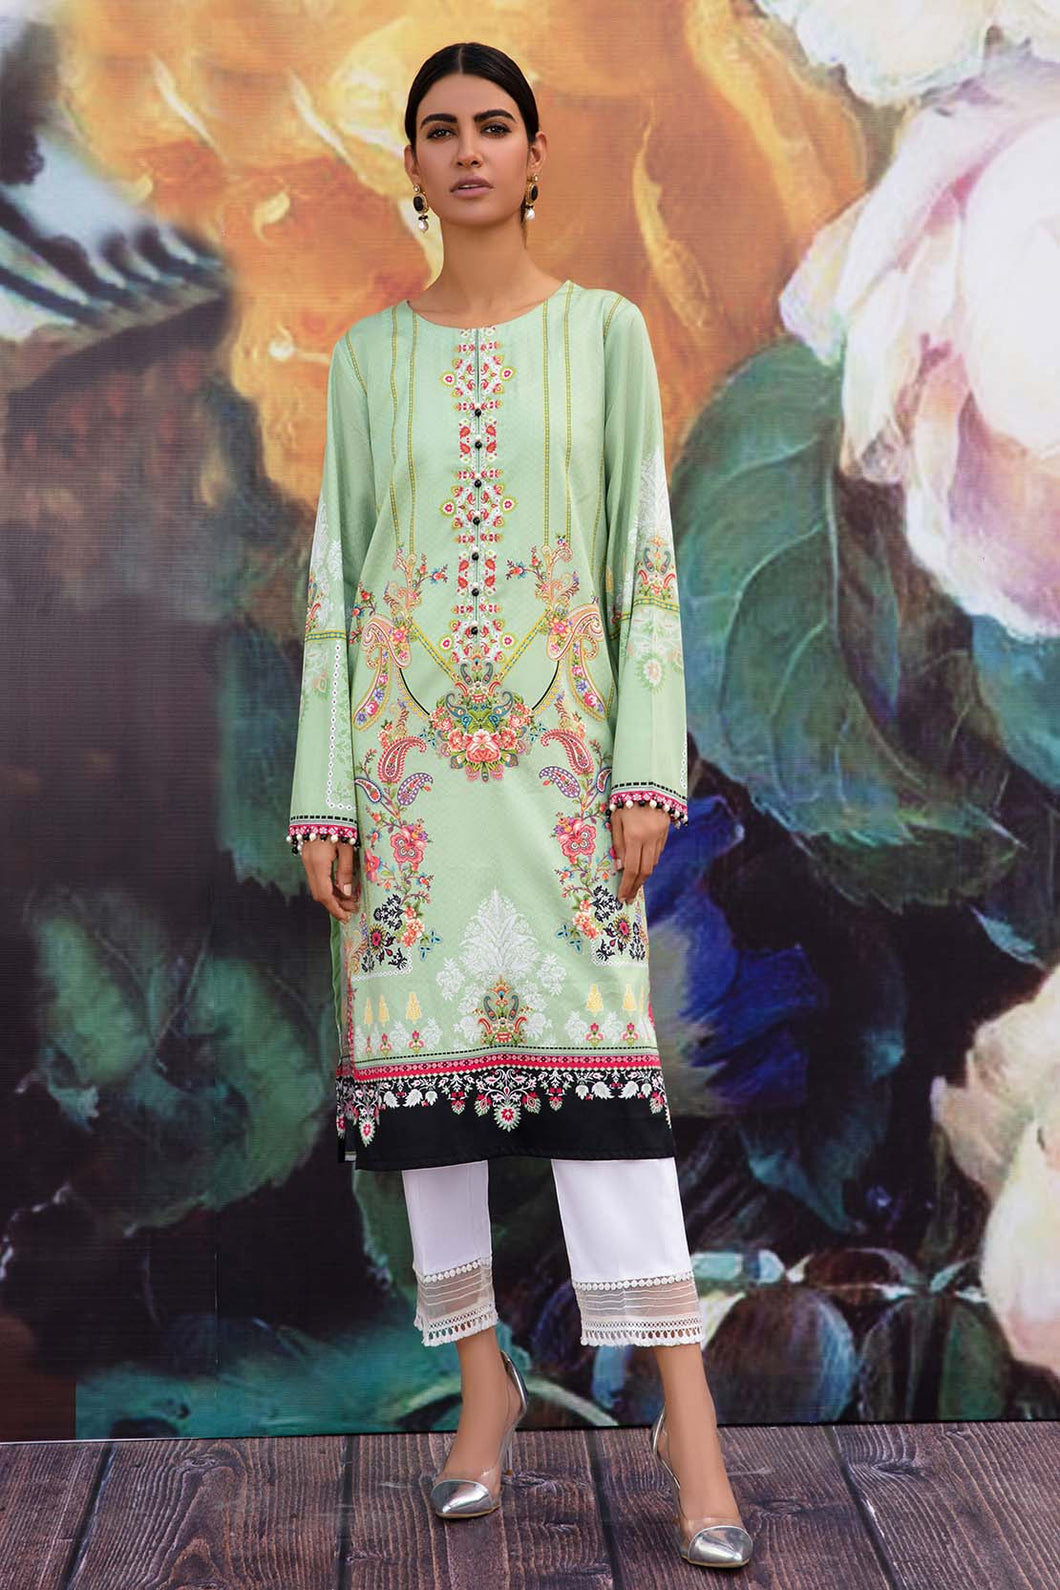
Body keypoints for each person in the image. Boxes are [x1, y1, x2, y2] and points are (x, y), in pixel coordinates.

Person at [287, 38, 753, 1572]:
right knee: (427, 1102)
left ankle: (689, 1425)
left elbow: (643, 561)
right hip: (411, 786)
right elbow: (339, 584)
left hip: (560, 778)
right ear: (412, 166)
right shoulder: (368, 361)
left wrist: (641, 768)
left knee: (608, 1104)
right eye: (442, 129)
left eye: (495, 126)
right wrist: (328, 792)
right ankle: (482, 1382)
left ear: (538, 156)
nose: (470, 149)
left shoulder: (605, 337)